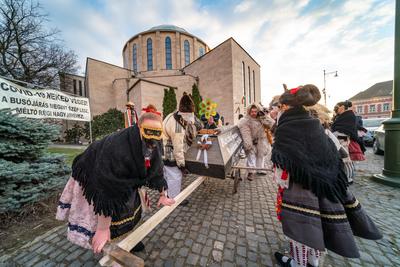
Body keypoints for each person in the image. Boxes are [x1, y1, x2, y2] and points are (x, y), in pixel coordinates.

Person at [272, 85, 381, 267]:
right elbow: (340, 154)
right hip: (325, 185)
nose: (273, 110)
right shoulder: (314, 124)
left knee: (301, 227)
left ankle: (298, 263)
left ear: (284, 107)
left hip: (301, 188)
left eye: (276, 106)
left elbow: (281, 167)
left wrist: (282, 181)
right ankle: (313, 262)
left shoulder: (287, 127)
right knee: (317, 227)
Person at [56, 105, 175, 254]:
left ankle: (131, 239)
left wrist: (163, 194)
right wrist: (102, 229)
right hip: (96, 170)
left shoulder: (154, 141)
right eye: (147, 135)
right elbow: (107, 191)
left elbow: (157, 168)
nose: (151, 143)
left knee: (132, 205)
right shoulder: (117, 148)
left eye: (155, 136)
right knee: (115, 209)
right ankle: (112, 239)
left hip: (123, 176)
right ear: (139, 127)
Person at [163, 92, 202, 205]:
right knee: (175, 176)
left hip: (162, 149)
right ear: (184, 113)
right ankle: (175, 199)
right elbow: (178, 149)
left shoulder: (173, 114)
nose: (191, 118)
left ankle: (167, 194)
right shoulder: (177, 127)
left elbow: (194, 121)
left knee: (167, 175)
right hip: (168, 152)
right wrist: (182, 166)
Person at [238, 103, 274, 180]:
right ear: (249, 112)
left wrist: (264, 117)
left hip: (261, 140)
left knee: (260, 155)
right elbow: (245, 132)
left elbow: (271, 124)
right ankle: (251, 172)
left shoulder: (261, 118)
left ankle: (260, 169)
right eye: (252, 111)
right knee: (251, 155)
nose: (254, 113)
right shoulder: (245, 120)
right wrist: (248, 143)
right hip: (251, 140)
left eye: (255, 111)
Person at [331, 100, 365, 184]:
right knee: (344, 160)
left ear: (342, 107)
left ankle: (348, 179)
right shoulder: (345, 115)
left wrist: (334, 134)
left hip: (343, 139)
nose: (336, 109)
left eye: (337, 107)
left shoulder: (348, 115)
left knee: (346, 160)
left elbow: (344, 130)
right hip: (340, 139)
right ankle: (346, 177)